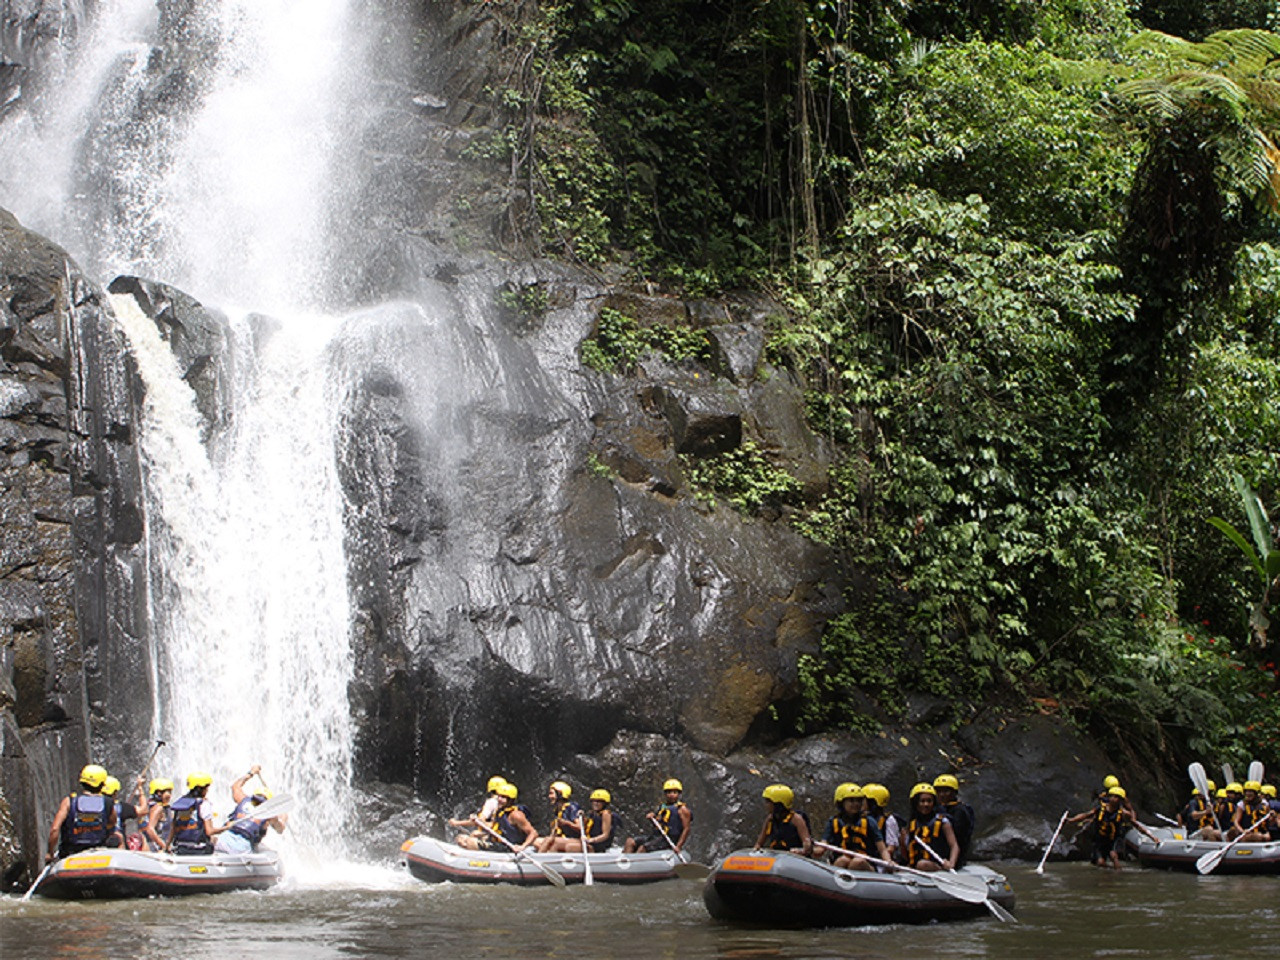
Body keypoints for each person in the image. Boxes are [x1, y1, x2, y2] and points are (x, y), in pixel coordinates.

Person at [1068, 786, 1157, 870]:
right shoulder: (1100, 809)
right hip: (1099, 841)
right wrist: (1072, 820)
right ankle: (1107, 874)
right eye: (1112, 796)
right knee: (1100, 863)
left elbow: (1136, 825)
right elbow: (1085, 815)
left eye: (1117, 797)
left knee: (1114, 856)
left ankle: (1118, 875)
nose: (1113, 798)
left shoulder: (1123, 813)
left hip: (1113, 840)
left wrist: (1152, 837)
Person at [46, 764, 117, 862]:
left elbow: (54, 829)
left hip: (70, 854)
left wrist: (50, 853)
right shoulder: (108, 803)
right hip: (99, 855)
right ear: (101, 784)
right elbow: (112, 824)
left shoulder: (68, 801)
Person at [212, 767, 287, 854]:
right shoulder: (269, 814)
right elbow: (280, 829)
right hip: (243, 847)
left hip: (224, 838)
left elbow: (235, 786)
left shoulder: (243, 799)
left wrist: (251, 773)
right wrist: (283, 817)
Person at [822, 783, 890, 871]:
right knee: (842, 860)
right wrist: (809, 849)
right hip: (840, 861)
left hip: (865, 863)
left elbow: (882, 849)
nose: (856, 804)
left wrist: (888, 861)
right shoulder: (833, 822)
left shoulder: (869, 821)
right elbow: (822, 846)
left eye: (858, 801)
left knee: (857, 862)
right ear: (841, 802)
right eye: (851, 800)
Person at [899, 782, 960, 872]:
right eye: (922, 801)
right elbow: (906, 854)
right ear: (916, 803)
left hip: (936, 864)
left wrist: (951, 863)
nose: (926, 804)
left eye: (929, 801)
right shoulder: (912, 825)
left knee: (922, 864)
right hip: (916, 866)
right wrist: (902, 842)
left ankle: (940, 869)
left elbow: (954, 845)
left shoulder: (942, 822)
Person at [625, 779, 693, 855]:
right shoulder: (662, 807)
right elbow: (657, 824)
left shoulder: (682, 810)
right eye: (669, 792)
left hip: (668, 840)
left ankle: (635, 864)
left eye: (674, 792)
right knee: (630, 841)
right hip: (657, 837)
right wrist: (652, 818)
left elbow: (686, 829)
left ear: (679, 794)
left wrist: (679, 846)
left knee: (642, 848)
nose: (671, 795)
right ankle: (623, 863)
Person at [451, 775, 509, 851]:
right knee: (474, 834)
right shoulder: (508, 804)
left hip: (492, 840)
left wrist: (457, 823)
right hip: (501, 839)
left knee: (461, 839)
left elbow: (478, 821)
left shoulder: (491, 802)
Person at [754, 783, 812, 856]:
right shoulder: (770, 819)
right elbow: (759, 843)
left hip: (795, 858)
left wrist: (800, 851)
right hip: (778, 858)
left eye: (768, 802)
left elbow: (807, 845)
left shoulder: (796, 819)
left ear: (779, 804)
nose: (766, 805)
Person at [168, 772, 216, 855]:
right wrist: (226, 828)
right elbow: (209, 831)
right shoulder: (204, 804)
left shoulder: (181, 802)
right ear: (201, 789)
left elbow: (173, 828)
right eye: (206, 788)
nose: (207, 790)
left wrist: (167, 846)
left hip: (181, 847)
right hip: (200, 849)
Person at [933, 773, 975, 867]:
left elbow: (958, 836)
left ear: (954, 792)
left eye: (946, 791)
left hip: (954, 856)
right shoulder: (936, 809)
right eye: (939, 791)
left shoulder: (960, 811)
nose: (942, 795)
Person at [555, 788, 616, 853]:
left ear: (605, 803)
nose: (595, 803)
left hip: (595, 845)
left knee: (569, 847)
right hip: (587, 841)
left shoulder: (606, 814)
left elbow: (605, 835)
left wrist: (591, 840)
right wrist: (583, 816)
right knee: (556, 842)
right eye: (594, 801)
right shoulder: (593, 813)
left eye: (599, 801)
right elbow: (587, 826)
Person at [534, 781, 582, 853]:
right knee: (537, 842)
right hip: (564, 839)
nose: (549, 797)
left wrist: (567, 823)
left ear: (560, 794)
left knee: (553, 842)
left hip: (575, 840)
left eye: (551, 793)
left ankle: (543, 859)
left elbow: (580, 827)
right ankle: (546, 856)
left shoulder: (571, 807)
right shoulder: (558, 810)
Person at [490, 782, 538, 851]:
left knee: (472, 842)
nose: (499, 799)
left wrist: (522, 847)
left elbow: (533, 833)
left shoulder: (516, 815)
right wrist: (477, 821)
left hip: (511, 847)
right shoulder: (500, 811)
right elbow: (493, 826)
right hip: (500, 845)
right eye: (499, 796)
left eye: (503, 797)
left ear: (510, 800)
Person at [101, 776, 143, 850]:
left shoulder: (93, 805)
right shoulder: (121, 807)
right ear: (115, 792)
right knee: (141, 838)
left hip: (99, 842)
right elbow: (143, 810)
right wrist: (140, 788)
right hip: (116, 843)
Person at [862, 783, 901, 860]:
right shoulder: (861, 818)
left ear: (873, 802)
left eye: (864, 800)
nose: (860, 803)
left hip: (880, 862)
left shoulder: (889, 820)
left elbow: (891, 846)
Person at [142, 778, 175, 852]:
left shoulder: (149, 805)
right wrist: (164, 846)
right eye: (168, 792)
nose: (170, 795)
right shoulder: (158, 808)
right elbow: (150, 829)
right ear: (159, 793)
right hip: (155, 848)